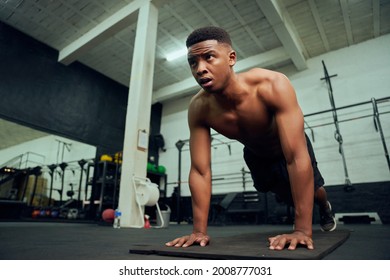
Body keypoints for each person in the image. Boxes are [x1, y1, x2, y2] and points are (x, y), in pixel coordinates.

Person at [166, 26, 336, 251]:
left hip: (291, 147)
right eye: (193, 62)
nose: (200, 69)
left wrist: (302, 230)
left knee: (313, 191)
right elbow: (200, 170)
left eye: (208, 57)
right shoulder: (199, 108)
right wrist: (199, 231)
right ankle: (303, 199)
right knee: (286, 194)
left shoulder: (271, 84)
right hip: (256, 155)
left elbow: (295, 157)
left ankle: (324, 205)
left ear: (231, 58)